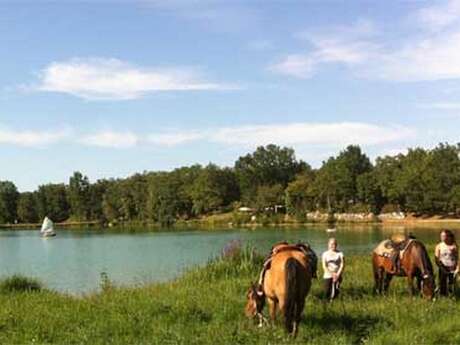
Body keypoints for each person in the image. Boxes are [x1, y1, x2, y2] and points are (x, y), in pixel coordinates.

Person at [434, 230, 459, 296]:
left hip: (452, 267)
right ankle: (443, 296)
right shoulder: (439, 246)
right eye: (441, 236)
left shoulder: (454, 246)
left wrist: (457, 268)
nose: (442, 237)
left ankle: (452, 295)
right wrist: (441, 267)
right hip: (443, 267)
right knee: (442, 283)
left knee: (451, 283)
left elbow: (457, 258)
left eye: (443, 236)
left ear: (448, 236)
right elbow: (436, 259)